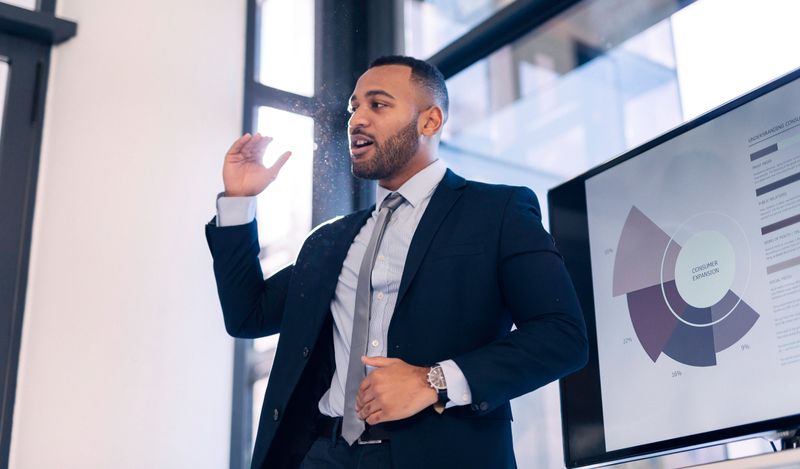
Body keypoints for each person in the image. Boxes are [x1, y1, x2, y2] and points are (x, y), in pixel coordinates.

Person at [205, 55, 588, 469]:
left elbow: (562, 337)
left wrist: (434, 381)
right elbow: (248, 315)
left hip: (440, 454)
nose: (356, 119)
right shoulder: (330, 240)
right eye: (354, 107)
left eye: (378, 104)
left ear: (430, 121)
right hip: (323, 454)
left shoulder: (498, 211)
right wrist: (239, 202)